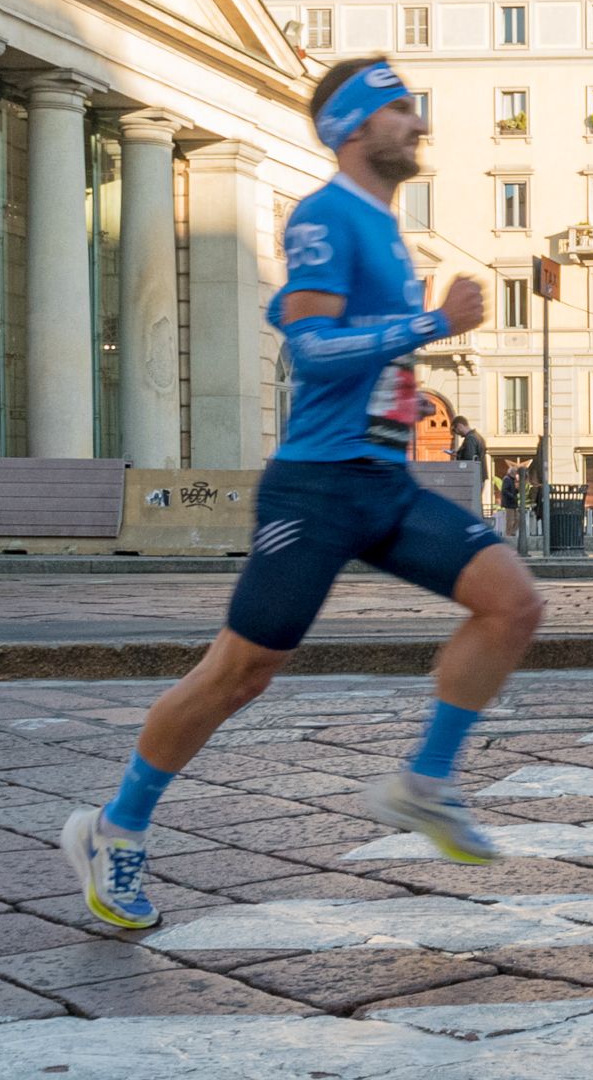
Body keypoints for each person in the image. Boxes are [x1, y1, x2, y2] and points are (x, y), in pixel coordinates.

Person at [61, 58, 546, 932]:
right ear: (353, 128)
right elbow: (315, 350)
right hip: (316, 490)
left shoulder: (387, 230)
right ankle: (114, 827)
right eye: (400, 110)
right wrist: (435, 323)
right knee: (240, 672)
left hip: (385, 483)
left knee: (511, 604)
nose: (417, 123)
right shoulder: (327, 216)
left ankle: (425, 783)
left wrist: (412, 333)